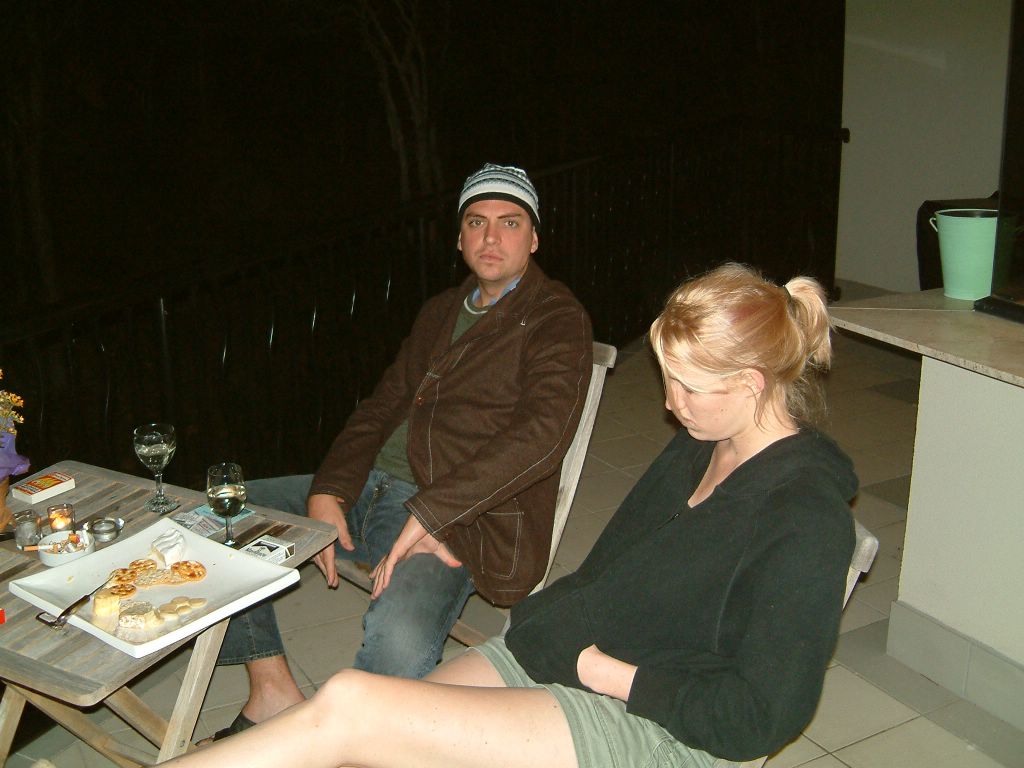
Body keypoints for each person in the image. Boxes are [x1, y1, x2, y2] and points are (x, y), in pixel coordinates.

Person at [170, 263, 857, 767]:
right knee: (361, 739)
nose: (669, 403)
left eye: (687, 386)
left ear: (751, 385)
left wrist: (598, 671)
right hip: (584, 652)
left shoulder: (805, 518)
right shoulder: (703, 444)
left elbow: (758, 718)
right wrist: (550, 634)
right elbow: (614, 576)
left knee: (352, 706)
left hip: (661, 723)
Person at [210, 163, 595, 739]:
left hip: (455, 515)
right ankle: (272, 689)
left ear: (534, 239)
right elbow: (380, 407)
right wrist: (329, 488)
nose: (491, 236)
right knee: (212, 518)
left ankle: (355, 746)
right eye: (476, 222)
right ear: (459, 237)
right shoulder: (441, 310)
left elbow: (542, 435)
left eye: (510, 222)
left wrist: (436, 513)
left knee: (400, 639)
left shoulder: (556, 317)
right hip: (370, 487)